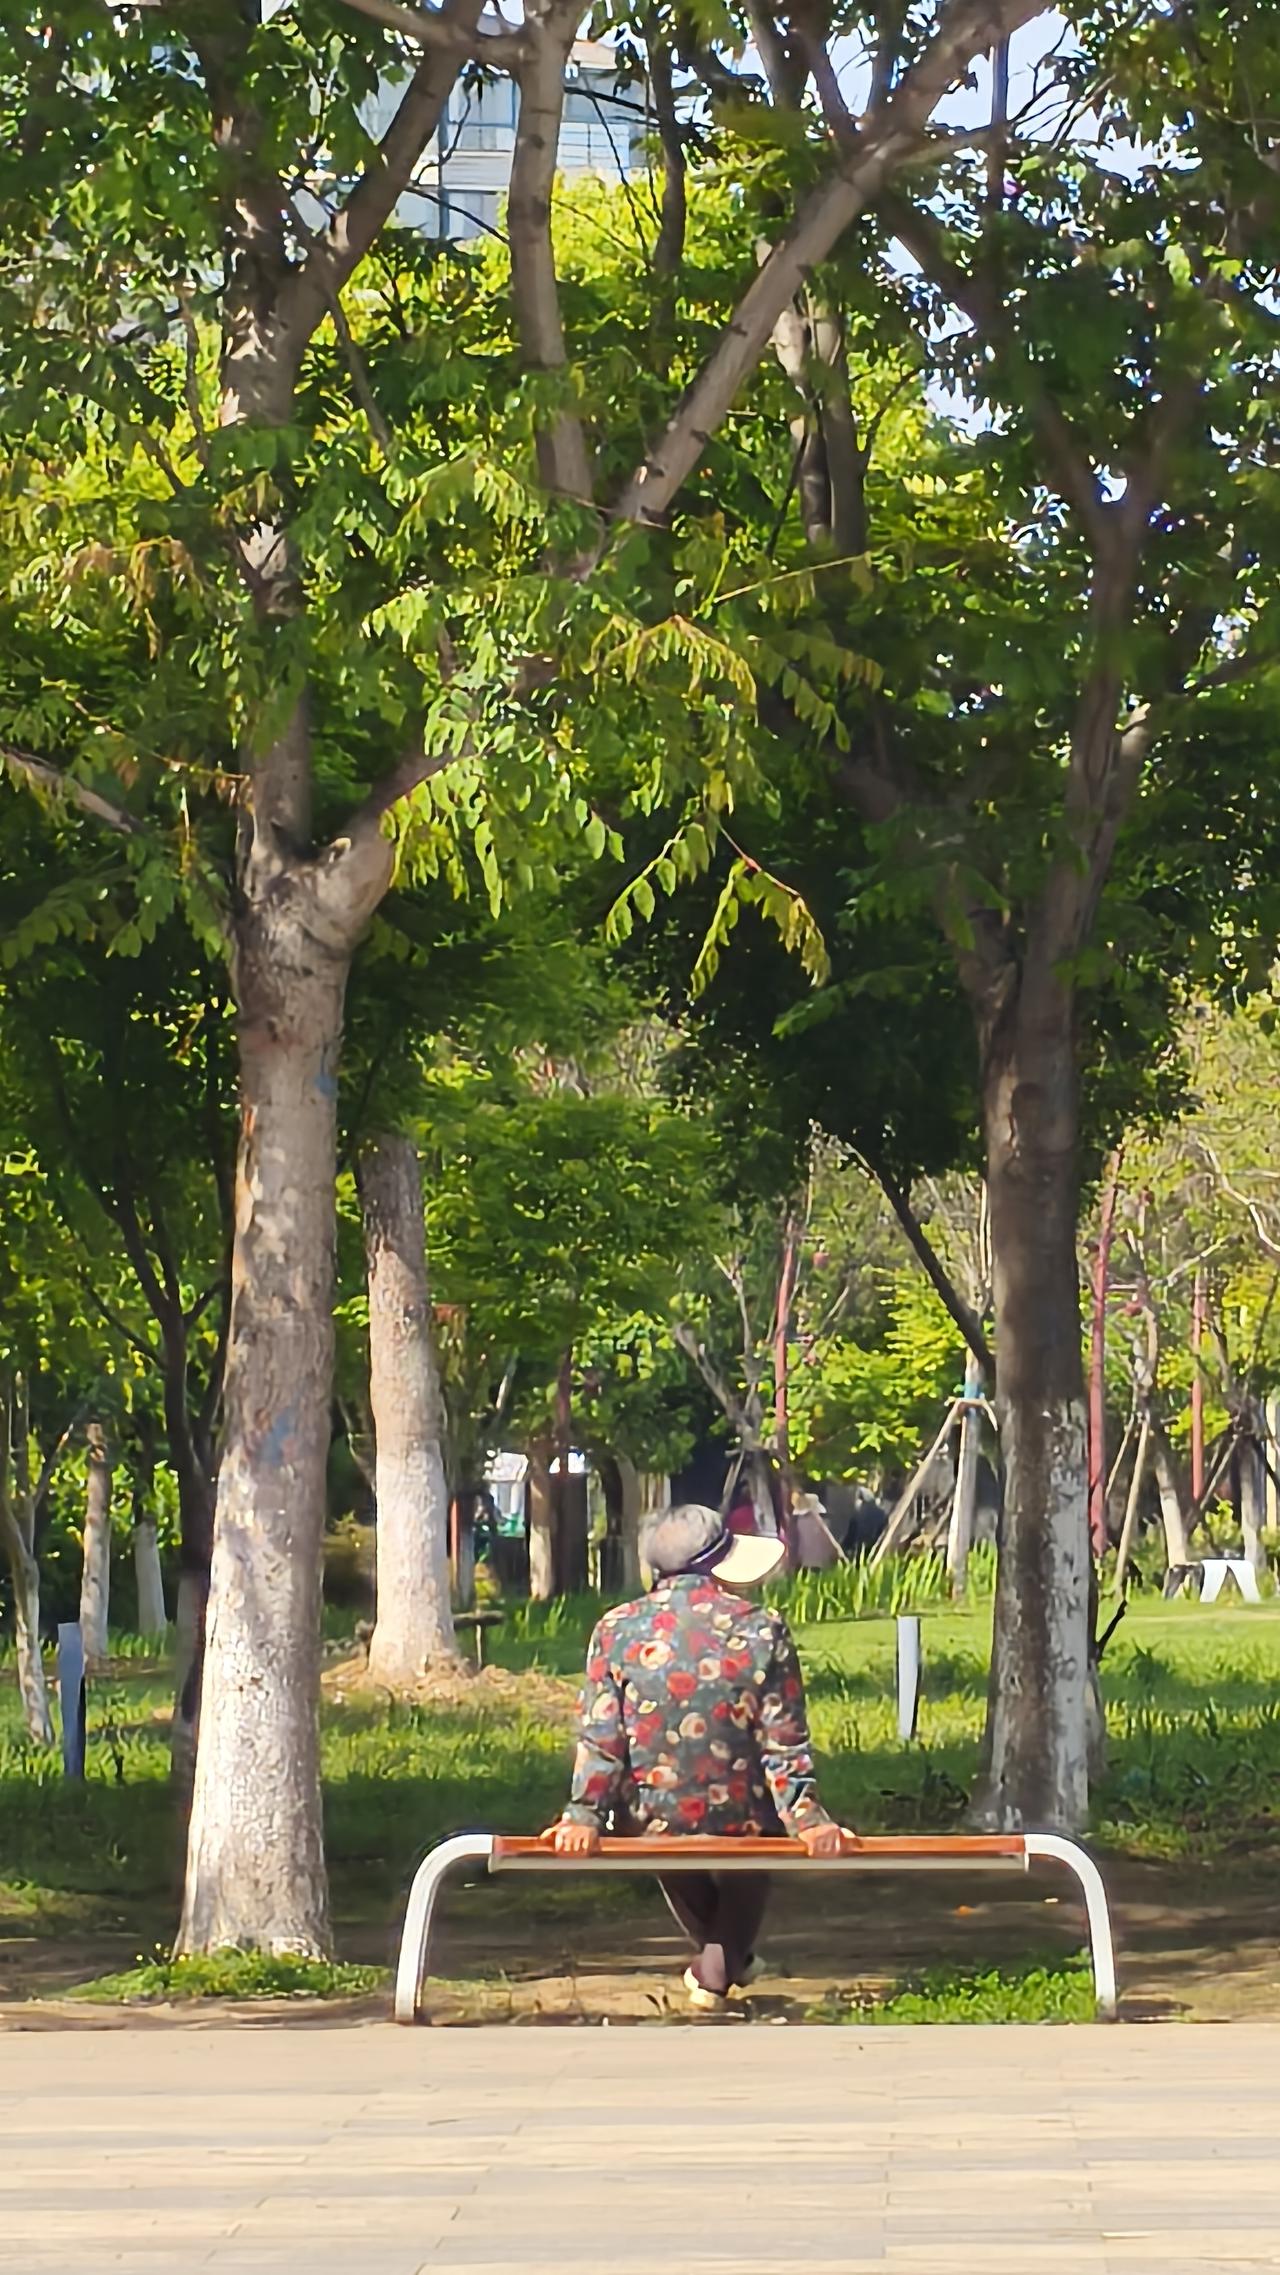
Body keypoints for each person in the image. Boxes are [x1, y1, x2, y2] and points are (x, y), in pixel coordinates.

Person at [550, 1502, 851, 2011]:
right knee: (756, 1837)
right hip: (743, 1813)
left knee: (656, 1828)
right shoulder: (763, 1628)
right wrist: (807, 1817)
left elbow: (603, 1738)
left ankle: (726, 1958)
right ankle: (717, 1970)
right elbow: (782, 1739)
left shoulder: (614, 1629)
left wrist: (583, 1815)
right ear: (719, 1562)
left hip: (651, 1817)